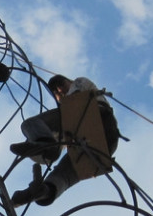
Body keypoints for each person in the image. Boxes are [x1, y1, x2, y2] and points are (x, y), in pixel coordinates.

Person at [9, 74, 120, 207]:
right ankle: (42, 191)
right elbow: (53, 149)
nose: (60, 91)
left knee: (30, 124)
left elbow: (75, 98)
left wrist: (45, 147)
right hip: (101, 145)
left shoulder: (79, 83)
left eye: (62, 85)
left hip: (96, 117)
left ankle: (46, 144)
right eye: (55, 92)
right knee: (63, 176)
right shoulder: (70, 122)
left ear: (70, 81)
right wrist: (39, 151)